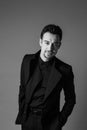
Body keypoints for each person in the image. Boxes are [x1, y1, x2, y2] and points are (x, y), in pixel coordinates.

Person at [15, 24, 76, 130]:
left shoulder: (65, 70)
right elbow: (23, 89)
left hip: (50, 123)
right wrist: (23, 114)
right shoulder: (27, 60)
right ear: (40, 42)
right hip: (28, 121)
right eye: (47, 43)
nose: (50, 48)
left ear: (59, 45)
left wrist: (59, 122)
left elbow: (71, 99)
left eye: (55, 44)